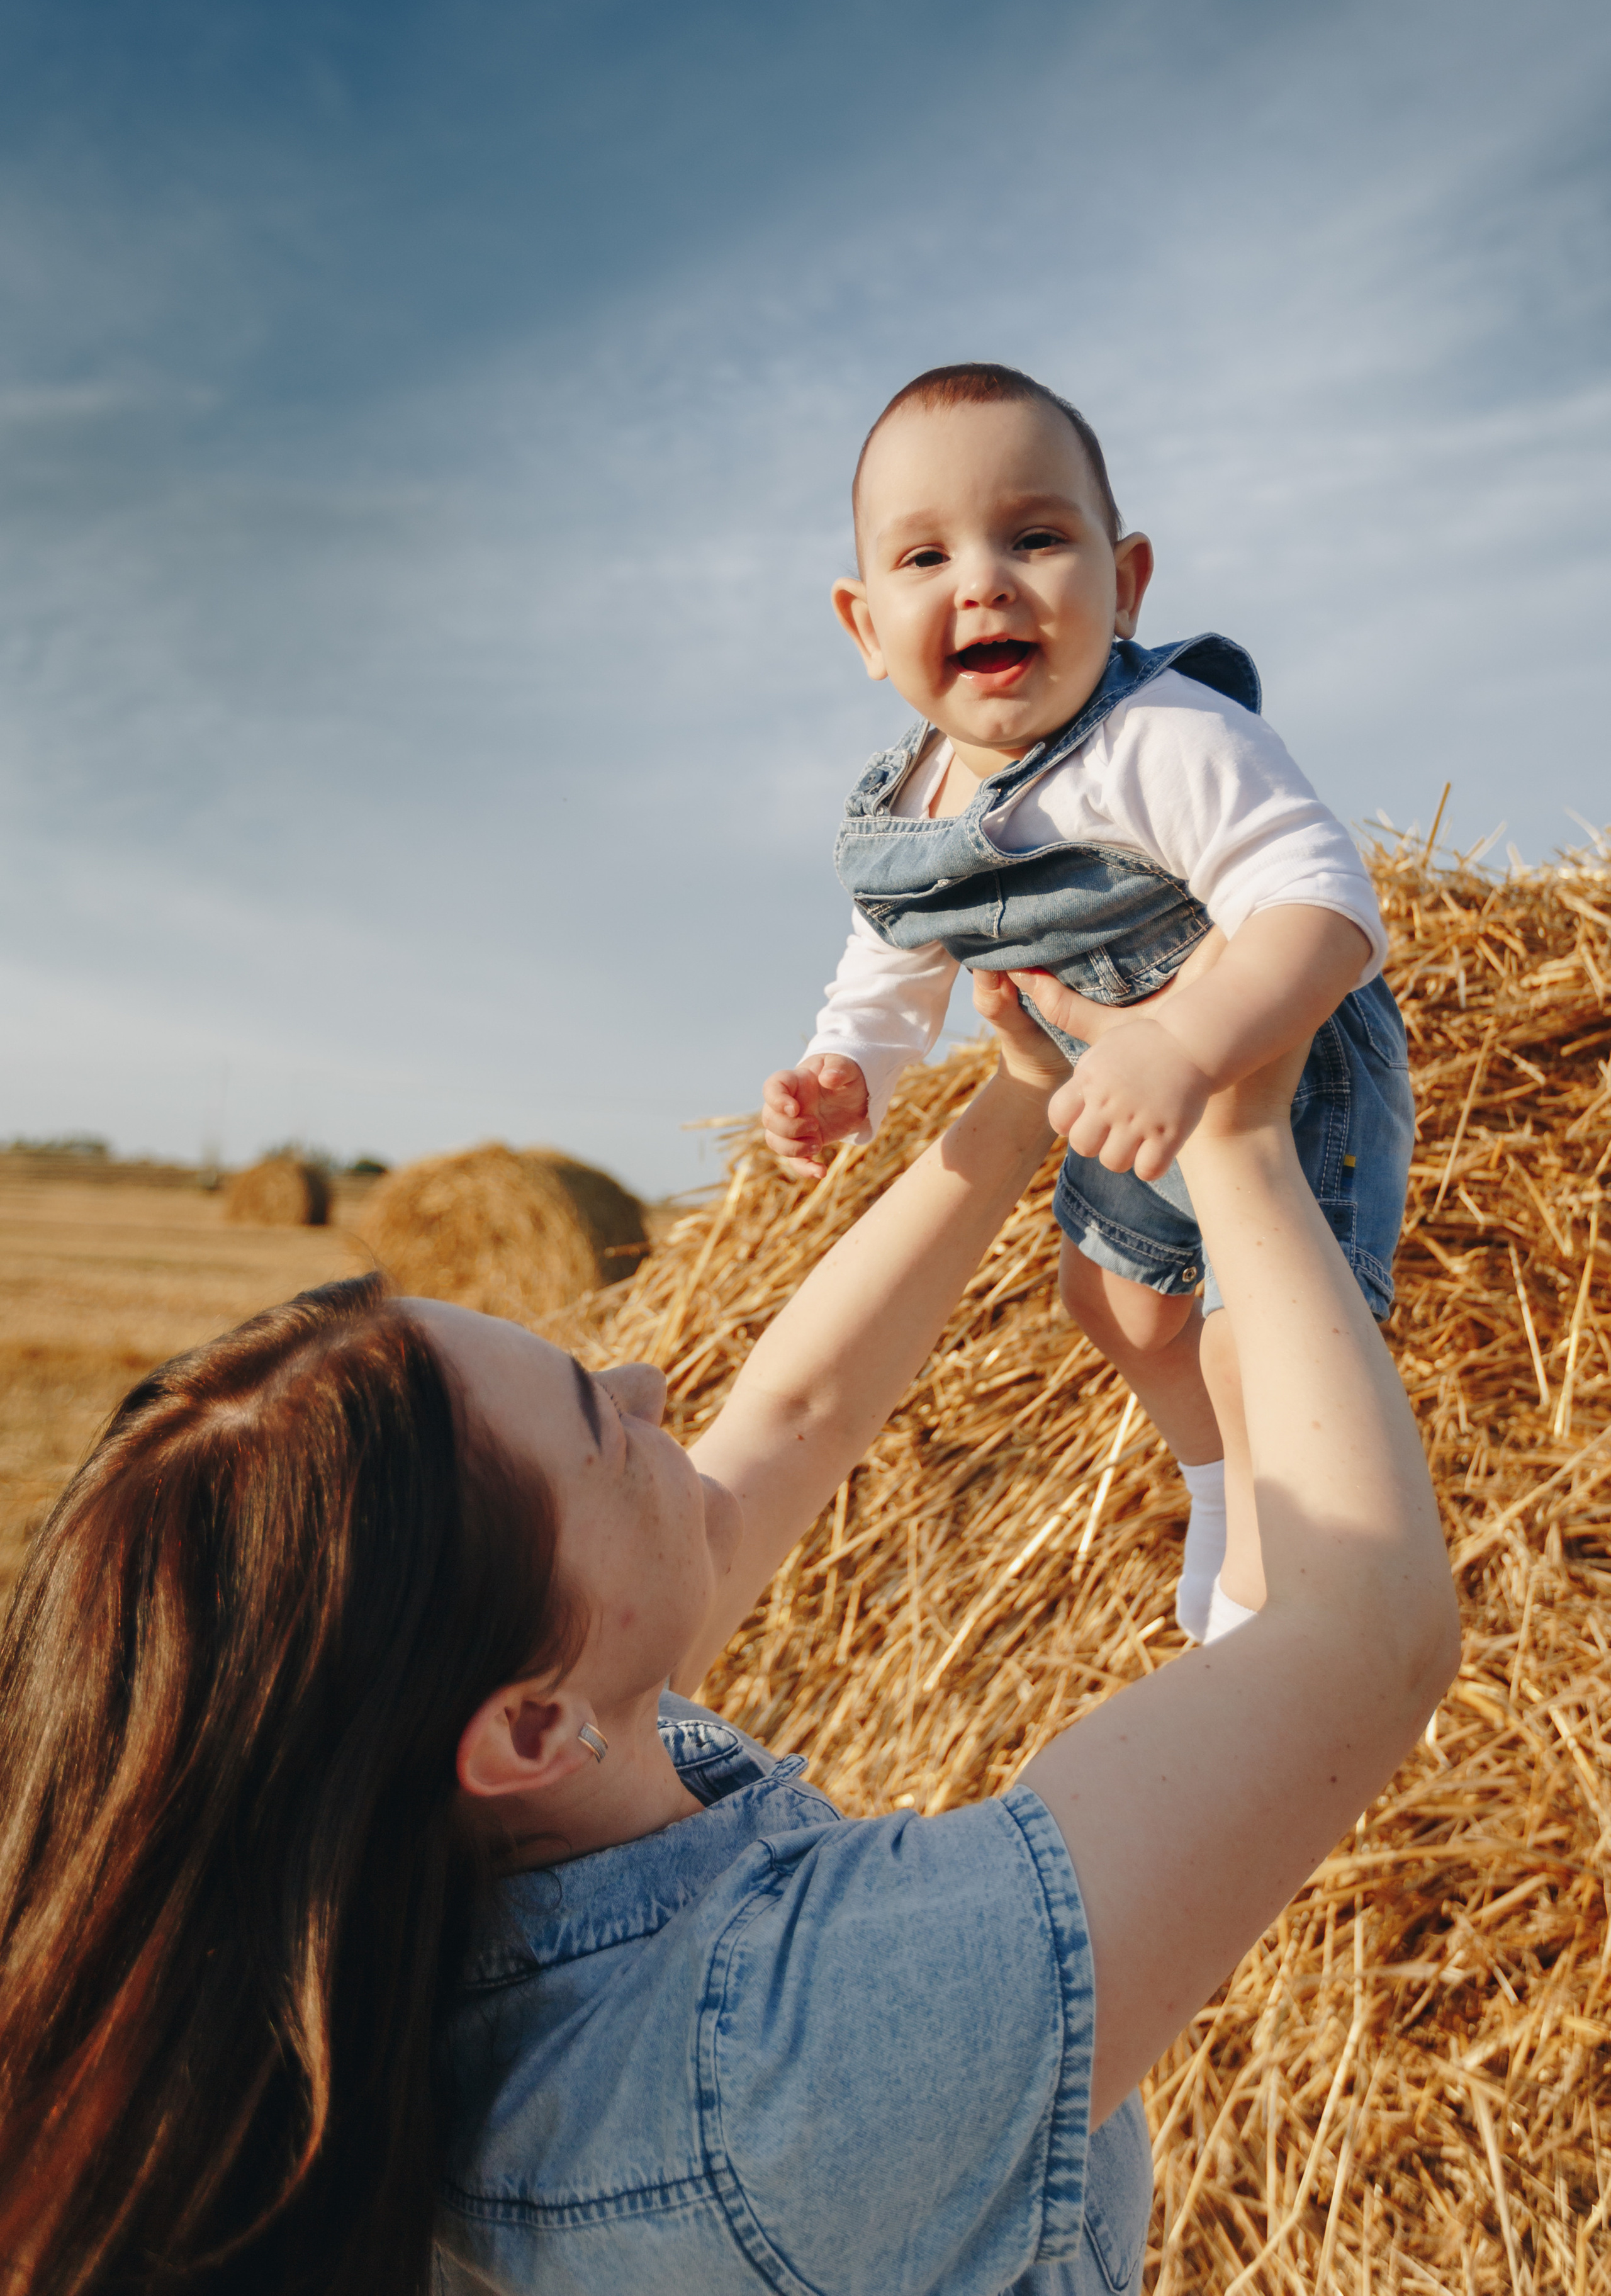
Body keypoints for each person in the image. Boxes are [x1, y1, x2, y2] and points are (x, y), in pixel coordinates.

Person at [0, 976, 1457, 2295]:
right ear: (524, 1729)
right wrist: (1241, 1132)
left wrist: (1017, 1098)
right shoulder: (778, 2068)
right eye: (593, 1420)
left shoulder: (479, 1844)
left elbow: (797, 1419)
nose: (645, 1379)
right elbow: (1360, 1637)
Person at [761, 361, 1415, 1642]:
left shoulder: (1166, 736)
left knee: (1252, 1345)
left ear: (1124, 587)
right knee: (1112, 1309)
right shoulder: (906, 817)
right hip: (1123, 1093)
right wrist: (847, 1070)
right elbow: (891, 964)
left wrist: (1185, 1041)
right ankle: (1219, 1494)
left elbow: (1325, 909)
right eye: (923, 557)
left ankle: (1259, 1622)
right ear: (860, 626)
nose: (982, 580)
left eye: (1035, 537)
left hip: (1274, 1070)